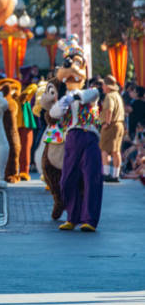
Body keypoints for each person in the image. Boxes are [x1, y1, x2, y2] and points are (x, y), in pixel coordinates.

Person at [50, 35, 102, 232]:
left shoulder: (91, 92)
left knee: (91, 178)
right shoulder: (65, 98)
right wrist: (64, 101)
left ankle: (89, 219)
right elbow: (54, 113)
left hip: (88, 137)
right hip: (71, 139)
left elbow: (91, 95)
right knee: (67, 179)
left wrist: (75, 95)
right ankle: (72, 216)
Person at [100, 76, 125, 183]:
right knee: (116, 151)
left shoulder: (109, 96)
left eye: (103, 85)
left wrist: (106, 123)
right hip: (119, 124)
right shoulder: (117, 95)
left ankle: (106, 174)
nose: (102, 87)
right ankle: (115, 175)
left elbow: (109, 110)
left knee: (104, 150)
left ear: (107, 86)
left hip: (111, 125)